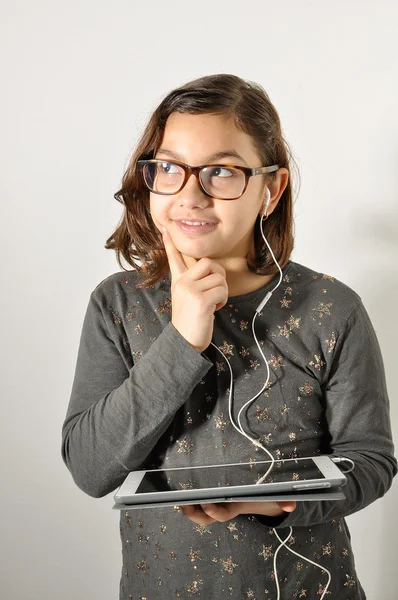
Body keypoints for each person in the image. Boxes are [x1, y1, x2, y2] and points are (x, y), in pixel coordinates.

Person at [61, 73, 396, 600]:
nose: (190, 194)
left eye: (221, 172)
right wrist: (182, 339)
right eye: (169, 167)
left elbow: (370, 461)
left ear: (271, 189)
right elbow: (90, 467)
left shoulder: (331, 308)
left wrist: (276, 500)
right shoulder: (119, 303)